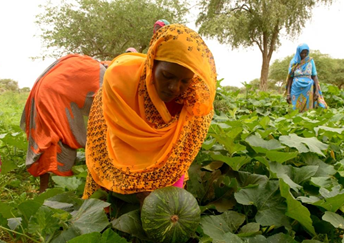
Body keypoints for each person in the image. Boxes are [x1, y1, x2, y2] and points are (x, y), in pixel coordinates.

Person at [82, 24, 216, 201]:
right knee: (107, 209)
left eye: (184, 81)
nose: (174, 88)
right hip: (116, 156)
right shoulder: (120, 81)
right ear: (152, 63)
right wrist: (139, 190)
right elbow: (107, 141)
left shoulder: (194, 99)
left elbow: (180, 156)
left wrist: (163, 199)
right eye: (167, 76)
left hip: (164, 172)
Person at [21, 54, 107, 192]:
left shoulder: (89, 66)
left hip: (48, 93)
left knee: (49, 137)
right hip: (51, 97)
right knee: (52, 140)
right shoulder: (102, 73)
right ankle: (51, 191)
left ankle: (49, 190)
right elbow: (105, 104)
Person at [285, 43, 327, 112]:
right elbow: (290, 78)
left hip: (308, 87)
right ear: (298, 52)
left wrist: (316, 91)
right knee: (294, 108)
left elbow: (314, 76)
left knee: (308, 109)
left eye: (306, 53)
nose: (304, 55)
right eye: (302, 53)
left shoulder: (310, 61)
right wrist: (288, 93)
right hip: (296, 87)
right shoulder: (294, 62)